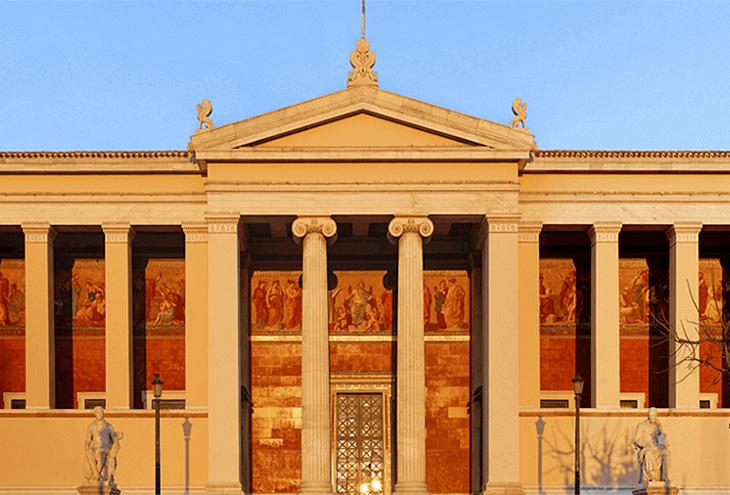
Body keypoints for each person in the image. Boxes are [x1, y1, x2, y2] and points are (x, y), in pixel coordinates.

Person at [84, 406, 122, 484]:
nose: (99, 414)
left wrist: (116, 443)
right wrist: (87, 446)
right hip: (95, 447)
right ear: (95, 414)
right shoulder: (91, 426)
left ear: (103, 413)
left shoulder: (108, 426)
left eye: (101, 412)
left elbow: (114, 438)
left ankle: (96, 475)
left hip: (105, 447)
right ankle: (97, 473)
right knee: (88, 453)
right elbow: (88, 439)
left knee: (100, 453)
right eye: (97, 413)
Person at [633, 407, 671, 483]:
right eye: (650, 416)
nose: (651, 418)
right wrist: (645, 444)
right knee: (648, 454)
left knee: (667, 453)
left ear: (656, 416)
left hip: (657, 447)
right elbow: (637, 439)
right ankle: (651, 476)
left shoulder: (658, 425)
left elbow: (661, 436)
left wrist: (664, 441)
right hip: (647, 447)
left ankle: (665, 477)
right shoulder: (641, 425)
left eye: (653, 416)